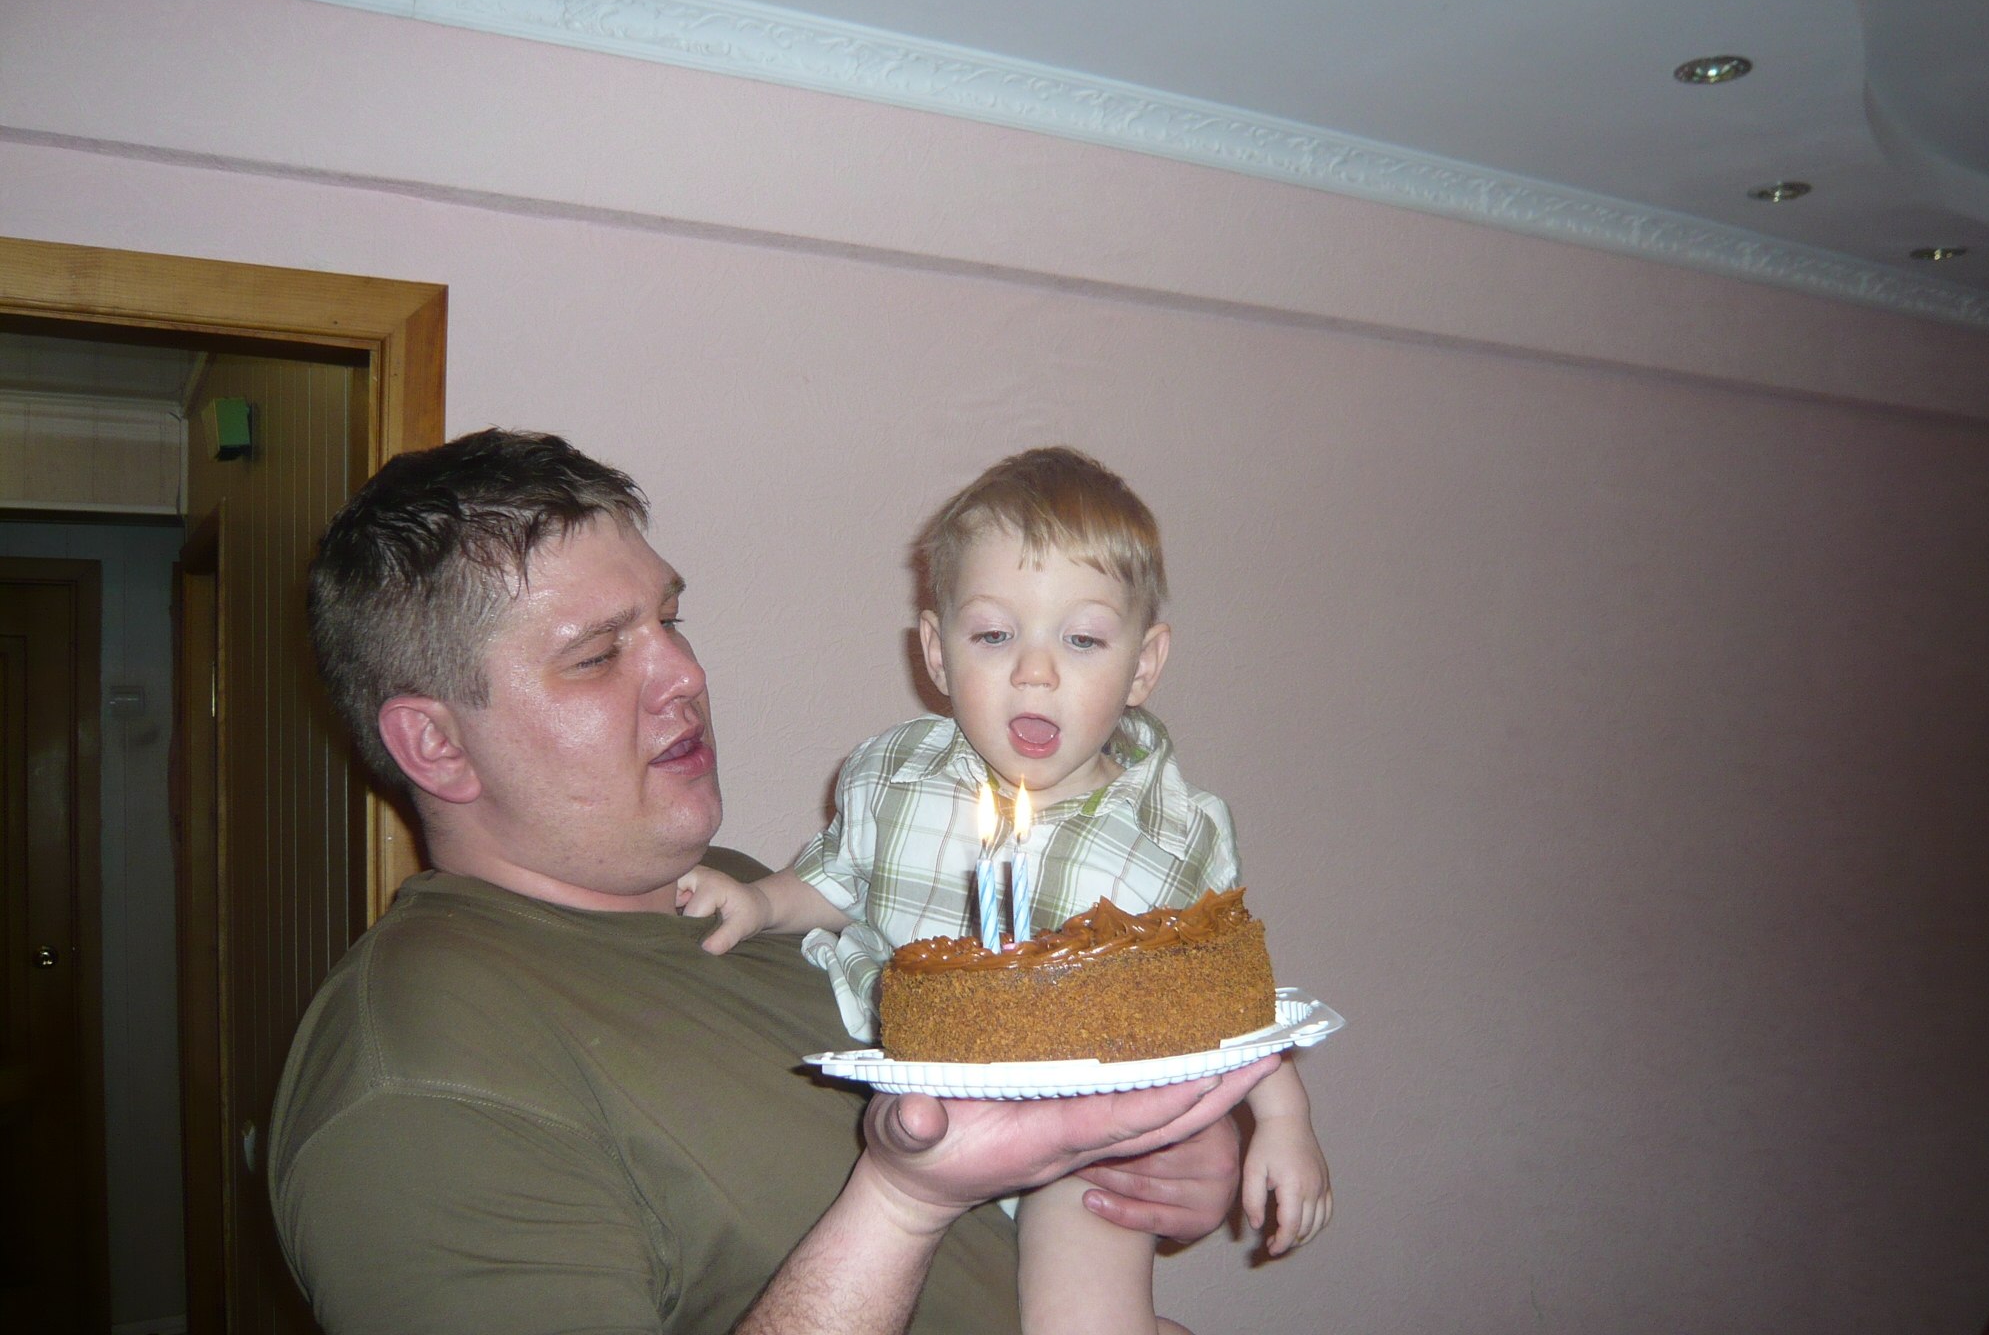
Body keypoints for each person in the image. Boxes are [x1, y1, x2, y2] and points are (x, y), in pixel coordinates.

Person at [268, 428, 1275, 1335]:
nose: (684, 674)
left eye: (669, 618)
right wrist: (900, 1202)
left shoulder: (759, 894)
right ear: (438, 745)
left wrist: (1141, 1162)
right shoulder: (411, 1085)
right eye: (599, 654)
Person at [680, 447, 1330, 1335]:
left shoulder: (1173, 832)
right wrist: (760, 904)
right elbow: (838, 881)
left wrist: (1284, 1120)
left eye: (1082, 640)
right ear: (936, 651)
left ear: (1144, 665)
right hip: (915, 1102)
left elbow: (1226, 995)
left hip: (1088, 1137)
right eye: (993, 636)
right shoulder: (897, 780)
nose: (1035, 672)